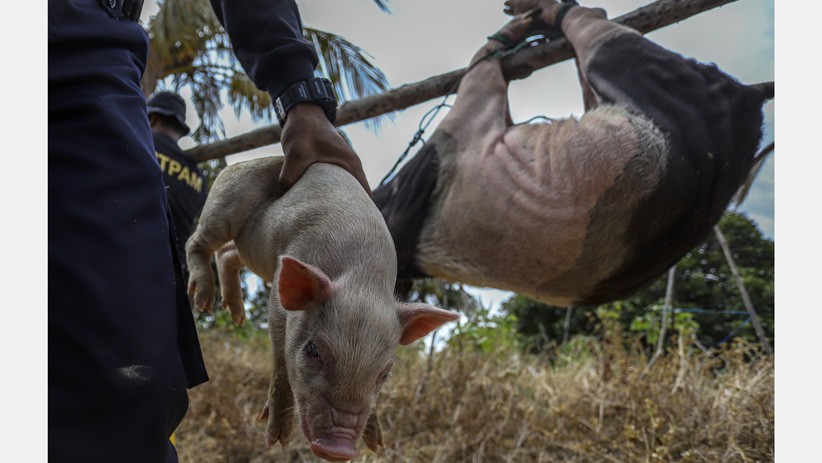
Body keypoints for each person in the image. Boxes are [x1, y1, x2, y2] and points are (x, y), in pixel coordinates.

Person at [48, 0, 369, 461]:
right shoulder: (182, 165)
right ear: (176, 126)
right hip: (87, 67)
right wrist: (297, 87)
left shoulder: (144, 147)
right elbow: (200, 220)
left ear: (155, 118)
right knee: (119, 382)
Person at [147, 91, 207, 278]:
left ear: (151, 118)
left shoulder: (141, 145)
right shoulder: (198, 177)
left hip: (123, 258)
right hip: (172, 276)